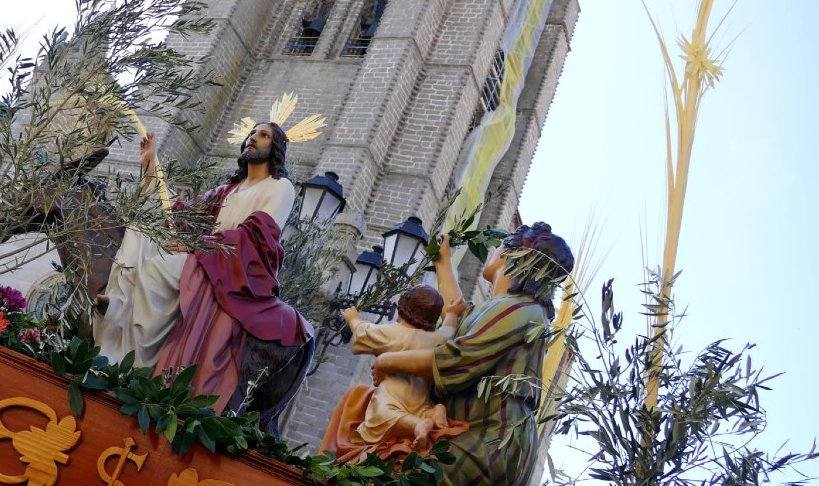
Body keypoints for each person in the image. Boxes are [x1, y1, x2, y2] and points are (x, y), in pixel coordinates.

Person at [322, 222, 574, 486]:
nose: (493, 252)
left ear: (511, 255)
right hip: (466, 431)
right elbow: (458, 316)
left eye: (498, 246)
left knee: (397, 478)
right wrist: (443, 262)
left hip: (489, 439)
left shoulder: (522, 310)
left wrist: (389, 360)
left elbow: (457, 358)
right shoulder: (504, 308)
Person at [94, 123, 312, 412]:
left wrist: (200, 246)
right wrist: (151, 168)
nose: (252, 139)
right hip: (207, 256)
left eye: (263, 136)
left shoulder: (280, 187)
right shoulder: (228, 190)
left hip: (237, 269)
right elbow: (179, 216)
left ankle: (136, 363)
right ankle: (120, 311)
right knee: (145, 231)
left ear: (276, 148)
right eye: (251, 134)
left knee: (158, 270)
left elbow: (257, 236)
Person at [340, 284, 467, 452]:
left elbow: (364, 332)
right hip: (422, 396)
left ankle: (418, 425)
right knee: (422, 410)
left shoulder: (392, 333)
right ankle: (434, 412)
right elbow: (448, 332)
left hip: (394, 393)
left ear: (402, 306)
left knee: (382, 414)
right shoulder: (435, 339)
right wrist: (452, 313)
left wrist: (353, 318)